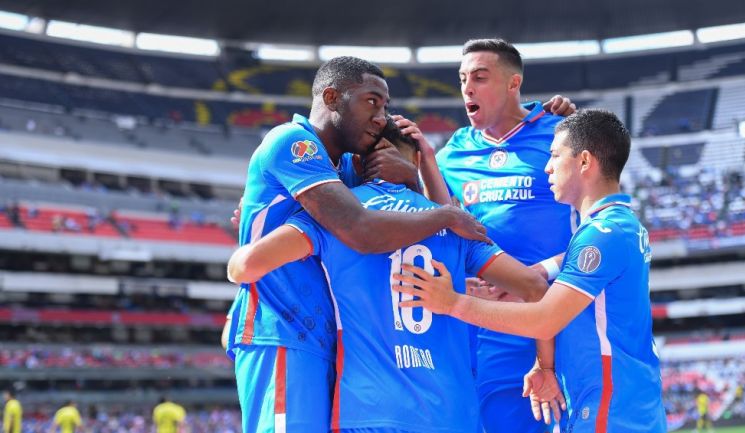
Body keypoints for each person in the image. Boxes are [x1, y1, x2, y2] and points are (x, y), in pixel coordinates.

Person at [228, 118, 550, 432]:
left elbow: (246, 266)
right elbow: (535, 287)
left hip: (368, 409)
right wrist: (544, 365)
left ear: (358, 160)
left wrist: (252, 226)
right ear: (416, 160)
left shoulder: (337, 219)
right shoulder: (456, 225)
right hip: (453, 412)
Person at [226, 56, 489, 433]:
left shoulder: (347, 168)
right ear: (331, 97)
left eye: (385, 106)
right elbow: (360, 228)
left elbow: (397, 213)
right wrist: (447, 216)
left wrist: (415, 175)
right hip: (282, 329)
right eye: (371, 101)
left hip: (331, 340)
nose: (381, 116)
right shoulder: (292, 141)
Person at [395, 109, 666, 433]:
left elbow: (545, 319)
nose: (547, 167)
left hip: (610, 413)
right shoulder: (618, 225)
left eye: (554, 156)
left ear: (584, 162)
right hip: (618, 407)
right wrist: (537, 273)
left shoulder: (603, 234)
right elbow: (572, 269)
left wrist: (451, 302)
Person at [435, 38, 575, 433]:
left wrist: (536, 276)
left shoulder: (560, 136)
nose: (467, 87)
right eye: (463, 79)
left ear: (514, 83)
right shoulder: (449, 155)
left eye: (480, 77)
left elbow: (598, 229)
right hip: (480, 327)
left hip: (550, 320)